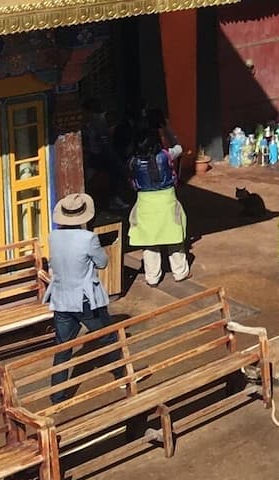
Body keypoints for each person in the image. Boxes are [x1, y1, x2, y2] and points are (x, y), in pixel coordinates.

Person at [42, 193, 122, 403]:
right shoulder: (88, 238)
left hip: (61, 299)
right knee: (109, 337)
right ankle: (123, 376)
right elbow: (103, 262)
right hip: (86, 300)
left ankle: (57, 395)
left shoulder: (53, 236)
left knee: (63, 347)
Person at [126, 112, 192, 286]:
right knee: (174, 237)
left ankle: (152, 277)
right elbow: (179, 147)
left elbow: (132, 182)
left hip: (145, 203)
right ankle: (180, 272)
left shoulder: (132, 161)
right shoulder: (166, 155)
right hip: (166, 200)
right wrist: (167, 128)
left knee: (150, 241)